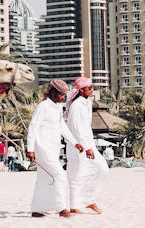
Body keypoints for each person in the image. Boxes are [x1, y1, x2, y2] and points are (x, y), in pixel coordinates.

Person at [26, 79, 84, 218]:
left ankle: (37, 209)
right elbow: (32, 127)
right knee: (59, 176)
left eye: (64, 95)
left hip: (53, 149)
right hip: (42, 149)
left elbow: (62, 127)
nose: (63, 97)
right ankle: (62, 208)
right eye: (61, 95)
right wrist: (30, 149)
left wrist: (74, 142)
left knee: (44, 179)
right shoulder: (43, 107)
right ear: (52, 92)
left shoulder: (57, 108)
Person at [66, 77, 109, 215]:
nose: (92, 90)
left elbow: (85, 128)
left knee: (103, 169)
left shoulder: (86, 103)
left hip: (88, 144)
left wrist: (89, 145)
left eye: (92, 87)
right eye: (89, 87)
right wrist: (86, 147)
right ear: (81, 90)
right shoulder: (76, 105)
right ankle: (74, 205)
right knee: (76, 175)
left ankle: (89, 200)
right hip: (77, 145)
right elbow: (76, 128)